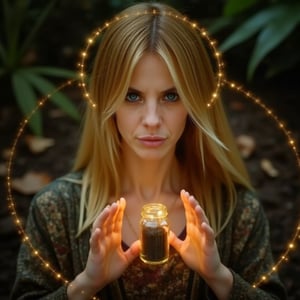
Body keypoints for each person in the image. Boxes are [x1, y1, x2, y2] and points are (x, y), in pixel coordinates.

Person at [11, 2, 286, 299]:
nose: (152, 119)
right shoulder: (56, 211)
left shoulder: (237, 210)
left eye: (171, 95)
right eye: (132, 96)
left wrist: (220, 277)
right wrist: (85, 284)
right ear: (107, 102)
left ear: (195, 103)